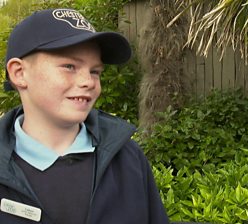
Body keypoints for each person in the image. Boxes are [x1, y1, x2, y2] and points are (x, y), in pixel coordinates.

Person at [0, 8, 169, 224]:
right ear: (19, 73)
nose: (88, 82)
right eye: (69, 66)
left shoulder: (128, 159)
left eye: (95, 71)